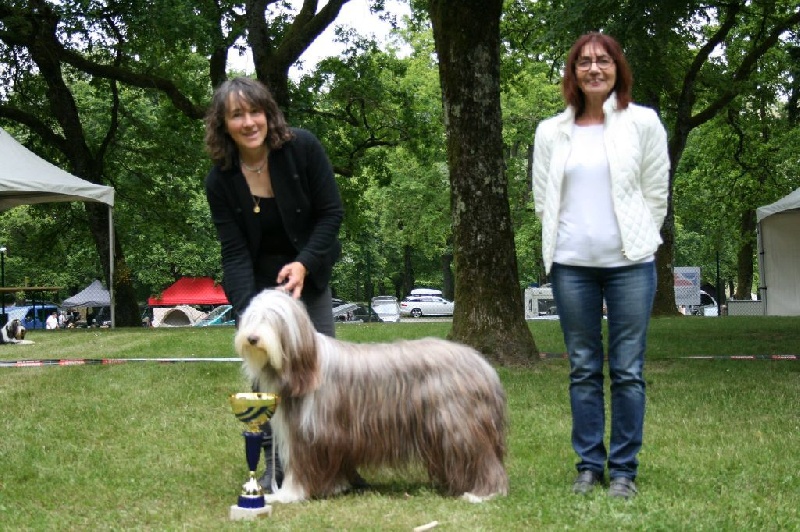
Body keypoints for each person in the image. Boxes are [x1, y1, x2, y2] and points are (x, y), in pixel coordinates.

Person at [532, 33, 669, 499]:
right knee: (584, 368)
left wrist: (641, 236)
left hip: (630, 264)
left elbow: (656, 191)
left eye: (603, 61)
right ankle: (590, 466)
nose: (594, 69)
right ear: (572, 72)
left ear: (617, 69)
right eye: (584, 62)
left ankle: (624, 470)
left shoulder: (643, 123)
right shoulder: (551, 132)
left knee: (627, 369)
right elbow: (542, 198)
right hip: (571, 267)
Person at [203, 76, 345, 492]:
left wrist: (303, 264)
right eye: (236, 115)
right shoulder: (220, 180)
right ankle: (274, 469)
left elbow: (331, 214)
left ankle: (334, 467)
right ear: (223, 124)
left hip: (308, 276)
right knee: (264, 384)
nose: (249, 122)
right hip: (259, 286)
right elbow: (234, 252)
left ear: (268, 113)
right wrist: (250, 314)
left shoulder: (302, 148)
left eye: (255, 111)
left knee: (320, 379)